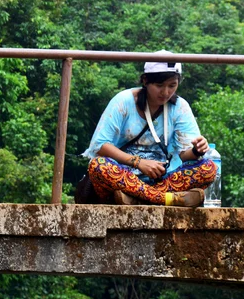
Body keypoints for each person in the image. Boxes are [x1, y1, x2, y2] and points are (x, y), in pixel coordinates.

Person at [82, 50, 217, 207]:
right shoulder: (123, 101)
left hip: (163, 180)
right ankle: (165, 199)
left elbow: (185, 156)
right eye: (159, 85)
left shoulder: (180, 107)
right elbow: (99, 146)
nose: (165, 92)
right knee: (98, 166)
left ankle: (136, 199)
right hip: (123, 179)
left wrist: (197, 150)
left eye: (172, 86)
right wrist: (139, 163)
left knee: (208, 168)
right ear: (145, 81)